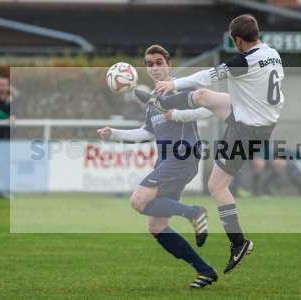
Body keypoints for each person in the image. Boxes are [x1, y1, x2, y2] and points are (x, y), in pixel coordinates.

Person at [136, 14, 284, 274]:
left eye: (233, 40)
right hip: (253, 116)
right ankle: (165, 103)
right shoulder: (271, 52)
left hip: (246, 129)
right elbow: (207, 91)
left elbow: (209, 75)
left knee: (217, 185)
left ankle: (238, 243)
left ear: (237, 40)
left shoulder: (245, 61)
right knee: (204, 97)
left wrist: (173, 83)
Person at [97, 45, 217, 288]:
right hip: (167, 160)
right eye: (149, 64)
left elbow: (210, 110)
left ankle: (194, 212)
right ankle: (205, 271)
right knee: (156, 225)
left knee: (137, 201)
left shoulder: (183, 88)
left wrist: (179, 115)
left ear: (169, 65)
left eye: (159, 62)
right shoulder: (152, 100)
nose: (154, 67)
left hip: (182, 156)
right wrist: (115, 133)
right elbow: (146, 133)